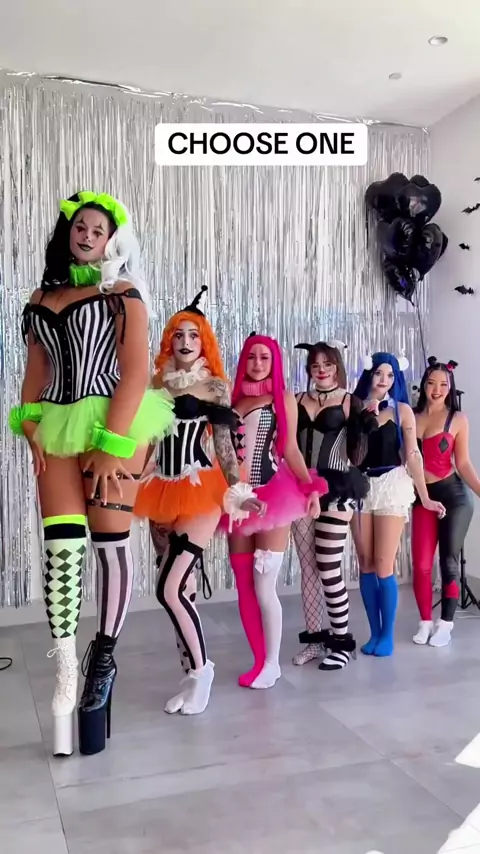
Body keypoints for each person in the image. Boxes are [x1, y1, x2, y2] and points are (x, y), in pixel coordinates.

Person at [9, 191, 175, 757]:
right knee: (61, 549)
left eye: (97, 229)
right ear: (68, 231)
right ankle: (63, 674)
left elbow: (135, 372)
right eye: (80, 226)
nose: (86, 234)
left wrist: (111, 445)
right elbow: (36, 370)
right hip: (57, 425)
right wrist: (30, 423)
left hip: (115, 421)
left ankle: (102, 658)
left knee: (109, 546)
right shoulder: (40, 298)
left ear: (111, 240)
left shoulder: (123, 294)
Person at [134, 290, 264, 714]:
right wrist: (131, 477)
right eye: (179, 334)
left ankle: (203, 672)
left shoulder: (214, 386)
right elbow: (149, 442)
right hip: (160, 486)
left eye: (193, 335)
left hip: (200, 488)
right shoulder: (156, 384)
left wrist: (239, 491)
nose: (186, 341)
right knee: (183, 590)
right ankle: (190, 675)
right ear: (169, 341)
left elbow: (223, 445)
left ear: (203, 341)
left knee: (168, 588)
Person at [224, 334, 325, 690]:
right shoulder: (231, 400)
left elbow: (291, 449)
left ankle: (272, 663)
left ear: (274, 362)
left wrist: (311, 489)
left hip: (273, 496)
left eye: (264, 358)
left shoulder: (283, 398)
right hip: (238, 498)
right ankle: (258, 661)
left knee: (264, 584)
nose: (257, 364)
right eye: (252, 357)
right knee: (243, 584)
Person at [351, 352, 445, 657]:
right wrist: (362, 416)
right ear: (369, 374)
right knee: (365, 562)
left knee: (383, 563)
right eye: (379, 373)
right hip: (360, 486)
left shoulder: (402, 410)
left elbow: (413, 454)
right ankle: (374, 633)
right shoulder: (354, 405)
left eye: (390, 375)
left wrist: (425, 496)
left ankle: (387, 636)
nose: (384, 380)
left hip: (391, 485)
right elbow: (347, 450)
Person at [291, 340, 375, 671]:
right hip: (300, 486)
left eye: (327, 364)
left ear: (337, 366)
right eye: (315, 365)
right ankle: (314, 640)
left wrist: (365, 423)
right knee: (308, 568)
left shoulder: (350, 401)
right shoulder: (297, 399)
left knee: (328, 566)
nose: (321, 370)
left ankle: (340, 643)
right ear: (309, 370)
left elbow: (358, 453)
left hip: (338, 486)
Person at [412, 357, 478, 647]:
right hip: (422, 497)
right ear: (424, 385)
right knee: (421, 564)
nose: (436, 389)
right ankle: (425, 622)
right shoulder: (410, 416)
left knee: (448, 560)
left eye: (443, 384)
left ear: (450, 388)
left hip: (455, 496)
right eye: (431, 383)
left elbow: (463, 464)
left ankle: (446, 624)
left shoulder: (458, 419)